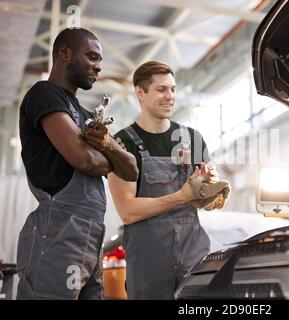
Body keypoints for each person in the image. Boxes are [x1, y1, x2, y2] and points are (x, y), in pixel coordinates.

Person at [17, 28, 138, 300]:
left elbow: (131, 170)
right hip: (58, 228)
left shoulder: (85, 117)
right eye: (92, 57)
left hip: (91, 234)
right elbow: (83, 159)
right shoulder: (44, 94)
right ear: (64, 54)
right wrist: (109, 157)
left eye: (100, 60)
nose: (98, 67)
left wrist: (105, 147)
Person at [109, 61, 217, 299]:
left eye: (173, 89)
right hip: (149, 261)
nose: (170, 96)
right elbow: (127, 211)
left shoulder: (193, 139)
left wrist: (208, 189)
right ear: (140, 92)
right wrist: (183, 196)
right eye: (161, 89)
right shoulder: (122, 145)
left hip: (193, 253)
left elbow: (205, 204)